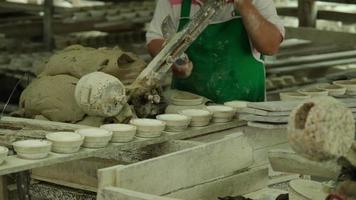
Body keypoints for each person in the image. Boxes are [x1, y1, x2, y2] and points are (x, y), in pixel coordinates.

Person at [146, 0, 285, 103]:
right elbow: (155, 37)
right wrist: (174, 59)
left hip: (246, 111)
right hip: (188, 110)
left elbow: (270, 46)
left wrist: (244, 4)